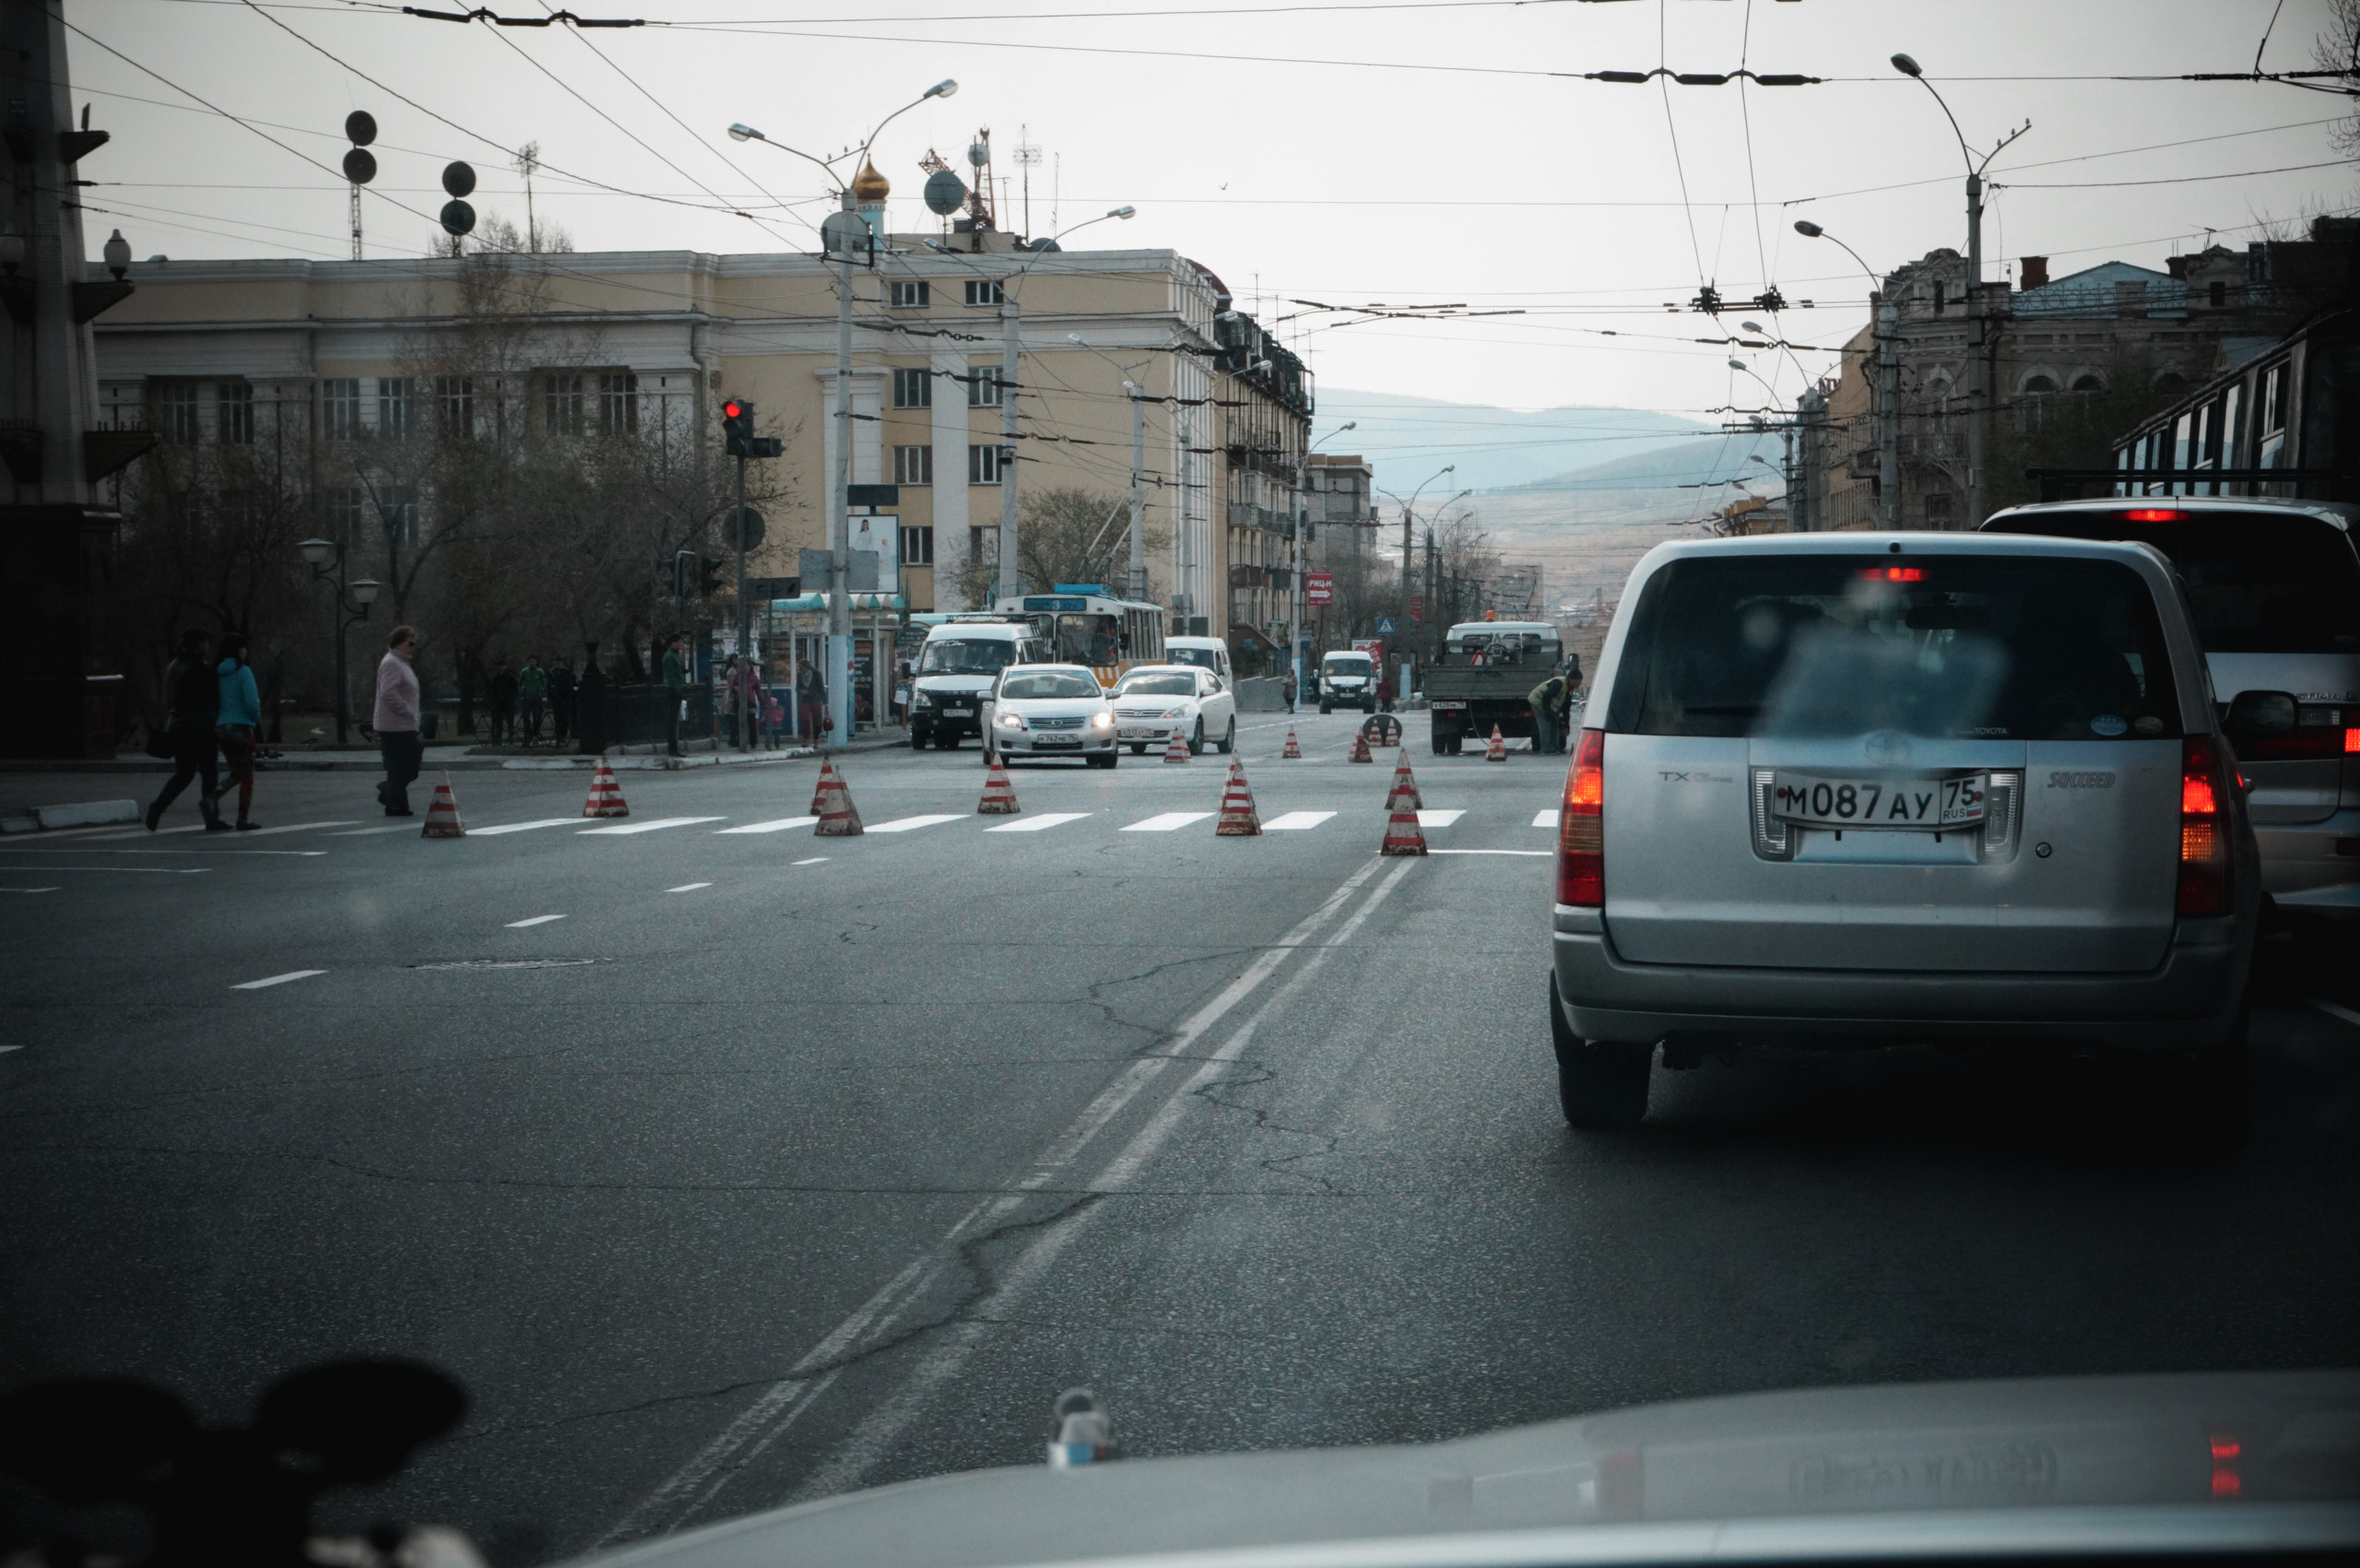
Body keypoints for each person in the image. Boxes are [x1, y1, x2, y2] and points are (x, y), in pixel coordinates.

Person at [148, 628, 222, 832]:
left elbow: (169, 698)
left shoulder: (174, 666)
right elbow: (208, 701)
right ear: (199, 644)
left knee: (184, 774)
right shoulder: (200, 669)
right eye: (206, 642)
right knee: (209, 774)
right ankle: (212, 818)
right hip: (202, 729)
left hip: (179, 728)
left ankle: (158, 807)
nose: (208, 646)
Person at [209, 631, 264, 831]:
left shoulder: (216, 673)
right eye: (244, 647)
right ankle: (242, 818)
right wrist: (255, 718)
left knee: (237, 771)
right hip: (241, 727)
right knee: (247, 775)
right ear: (238, 649)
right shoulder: (243, 672)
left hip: (222, 728)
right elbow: (251, 702)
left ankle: (212, 797)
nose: (246, 651)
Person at [375, 625, 423, 816]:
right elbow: (388, 693)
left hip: (406, 724)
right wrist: (408, 711)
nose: (413, 646)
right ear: (398, 643)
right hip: (394, 726)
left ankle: (389, 792)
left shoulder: (403, 663)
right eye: (410, 642)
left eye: (414, 643)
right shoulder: (391, 663)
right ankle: (395, 804)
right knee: (400, 766)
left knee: (411, 766)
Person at [1528, 668, 1571, 756]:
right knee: (1545, 725)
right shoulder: (1559, 683)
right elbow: (1547, 696)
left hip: (1549, 706)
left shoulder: (1568, 688)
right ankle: (1546, 749)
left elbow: (1566, 708)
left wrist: (1566, 724)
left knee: (1554, 724)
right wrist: (1547, 712)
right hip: (1537, 701)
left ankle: (1555, 748)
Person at [660, 632, 689, 757]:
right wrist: (679, 691)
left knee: (675, 720)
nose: (682, 644)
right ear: (674, 643)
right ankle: (672, 748)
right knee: (673, 720)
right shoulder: (670, 657)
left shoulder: (674, 655)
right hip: (673, 690)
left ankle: (674, 747)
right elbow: (672, 676)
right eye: (680, 642)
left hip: (676, 689)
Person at [516, 654, 547, 746]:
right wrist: (522, 689)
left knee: (537, 717)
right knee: (526, 718)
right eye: (530, 662)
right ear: (528, 662)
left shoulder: (540, 671)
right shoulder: (524, 671)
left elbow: (543, 682)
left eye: (534, 661)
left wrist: (540, 690)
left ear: (536, 662)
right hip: (527, 697)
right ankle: (527, 736)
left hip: (536, 697)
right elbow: (520, 683)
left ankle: (535, 735)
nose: (532, 663)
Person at [796, 656, 826, 742]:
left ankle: (816, 739)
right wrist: (801, 692)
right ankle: (805, 739)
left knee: (816, 720)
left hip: (815, 699)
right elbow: (797, 688)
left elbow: (821, 688)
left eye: (801, 667)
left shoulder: (816, 674)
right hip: (804, 700)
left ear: (806, 666)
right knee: (805, 720)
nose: (800, 669)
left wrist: (825, 701)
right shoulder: (799, 675)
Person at [548, 654, 576, 744]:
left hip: (565, 697)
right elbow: (549, 684)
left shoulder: (566, 672)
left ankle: (563, 734)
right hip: (557, 698)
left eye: (559, 662)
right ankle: (559, 735)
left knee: (565, 717)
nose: (557, 664)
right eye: (556, 663)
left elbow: (571, 682)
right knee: (557, 717)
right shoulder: (551, 672)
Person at [489, 659, 518, 745]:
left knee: (510, 722)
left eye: (503, 666)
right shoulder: (495, 679)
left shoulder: (510, 678)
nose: (502, 668)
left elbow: (515, 690)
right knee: (498, 723)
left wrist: (511, 699)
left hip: (509, 703)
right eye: (500, 666)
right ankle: (498, 739)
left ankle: (511, 739)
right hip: (498, 704)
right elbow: (492, 691)